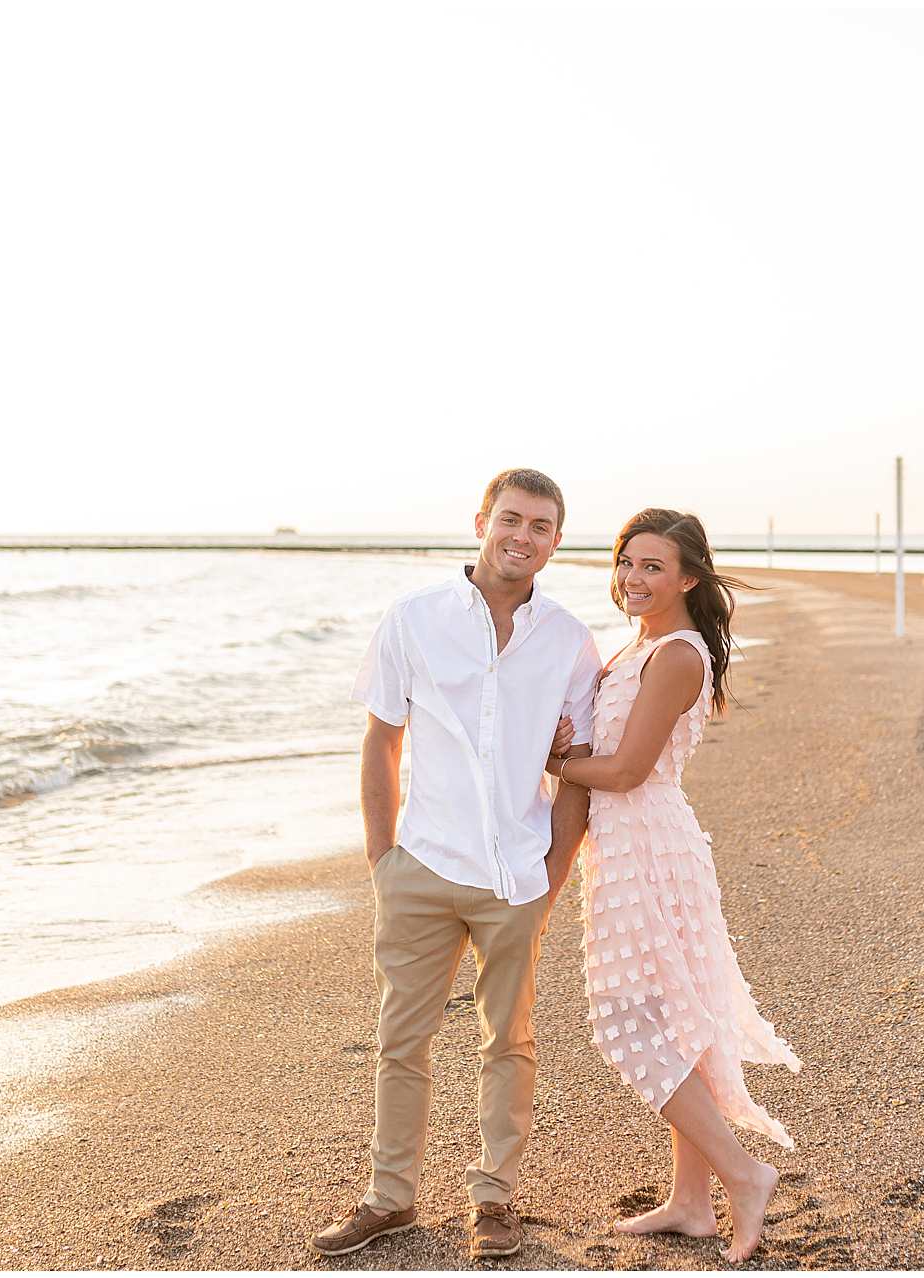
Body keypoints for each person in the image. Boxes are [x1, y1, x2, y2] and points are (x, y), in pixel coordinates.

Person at [310, 468, 602, 1262]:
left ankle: (494, 1199)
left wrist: (555, 867)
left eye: (541, 526)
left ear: (555, 541)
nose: (523, 536)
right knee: (400, 1039)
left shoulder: (571, 641)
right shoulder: (413, 620)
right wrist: (382, 859)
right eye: (511, 518)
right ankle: (389, 1197)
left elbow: (576, 764)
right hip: (422, 865)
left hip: (517, 871)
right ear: (482, 520)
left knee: (508, 1041)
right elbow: (382, 740)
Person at [545, 507, 801, 1263]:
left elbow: (625, 772)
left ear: (689, 576)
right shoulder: (640, 647)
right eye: (626, 562)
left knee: (632, 1025)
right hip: (628, 848)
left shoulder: (679, 655)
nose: (633, 578)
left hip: (649, 847)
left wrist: (550, 761)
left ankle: (743, 1175)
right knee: (673, 1023)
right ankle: (691, 1203)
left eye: (652, 566)